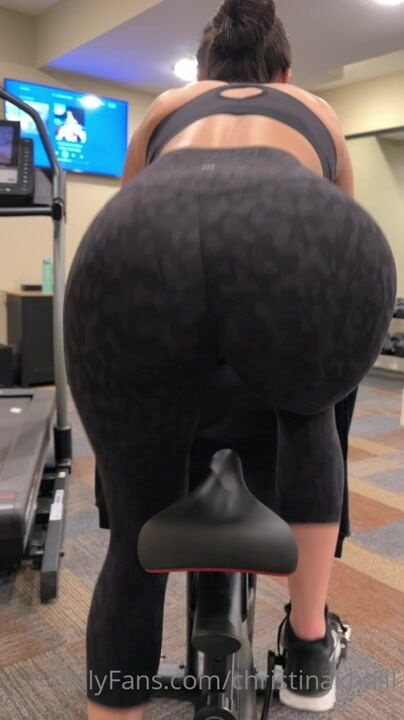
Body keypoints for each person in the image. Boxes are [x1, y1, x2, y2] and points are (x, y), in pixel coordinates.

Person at [63, 0, 397, 718]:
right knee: (313, 408)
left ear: (204, 73)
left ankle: (118, 692)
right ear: (284, 72)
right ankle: (309, 643)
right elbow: (323, 262)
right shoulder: (316, 109)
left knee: (134, 530)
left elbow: (146, 226)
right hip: (299, 226)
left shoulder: (166, 106)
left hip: (142, 230)